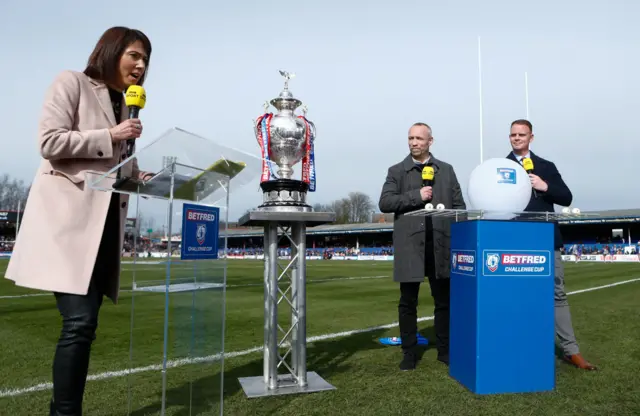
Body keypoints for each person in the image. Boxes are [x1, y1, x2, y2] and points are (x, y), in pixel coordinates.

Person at [4, 26, 155, 414]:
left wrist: (143, 176)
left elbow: (118, 166)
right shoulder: (71, 82)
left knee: (84, 328)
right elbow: (50, 142)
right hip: (67, 226)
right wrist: (110, 132)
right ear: (110, 50)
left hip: (103, 227)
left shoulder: (126, 104)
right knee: (80, 322)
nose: (141, 65)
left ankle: (62, 409)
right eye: (134, 55)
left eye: (146, 59)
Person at [506, 119, 597, 371]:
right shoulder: (501, 167)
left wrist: (544, 186)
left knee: (557, 295)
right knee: (516, 296)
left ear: (531, 137)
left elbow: (566, 197)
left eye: (521, 134)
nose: (516, 138)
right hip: (514, 241)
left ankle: (571, 351)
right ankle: (519, 345)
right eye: (513, 134)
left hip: (545, 240)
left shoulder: (546, 166)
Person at [379, 122, 466, 371]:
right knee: (408, 302)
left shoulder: (446, 171)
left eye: (419, 138)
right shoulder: (397, 171)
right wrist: (417, 196)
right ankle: (409, 352)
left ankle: (445, 349)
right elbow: (385, 202)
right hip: (410, 245)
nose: (414, 143)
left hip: (441, 245)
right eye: (410, 138)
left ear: (430, 141)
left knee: (444, 301)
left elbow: (459, 207)